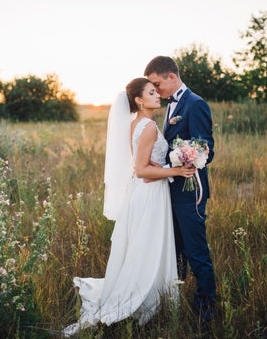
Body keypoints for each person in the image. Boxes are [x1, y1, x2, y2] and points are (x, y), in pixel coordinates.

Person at [62, 78, 194, 336]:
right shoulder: (149, 127)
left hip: (141, 192)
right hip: (150, 193)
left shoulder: (135, 123)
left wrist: (161, 167)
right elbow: (143, 171)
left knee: (141, 245)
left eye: (157, 92)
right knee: (148, 245)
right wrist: (177, 170)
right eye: (151, 93)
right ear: (138, 100)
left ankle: (149, 290)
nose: (158, 96)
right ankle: (144, 297)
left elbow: (141, 163)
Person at [144, 56, 217, 324]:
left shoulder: (195, 104)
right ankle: (174, 300)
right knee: (176, 249)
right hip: (170, 189)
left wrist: (179, 160)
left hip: (190, 190)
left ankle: (205, 310)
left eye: (156, 83)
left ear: (172, 77)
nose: (155, 89)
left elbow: (205, 149)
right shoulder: (170, 106)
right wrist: (163, 166)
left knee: (196, 249)